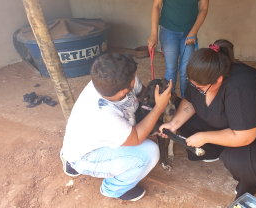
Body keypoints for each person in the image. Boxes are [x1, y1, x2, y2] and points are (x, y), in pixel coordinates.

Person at [159, 39, 256, 200]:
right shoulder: (199, 77)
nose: (195, 88)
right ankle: (216, 150)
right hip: (231, 120)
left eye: (200, 88)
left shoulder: (240, 88)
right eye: (192, 84)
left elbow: (245, 136)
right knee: (187, 124)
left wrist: (205, 137)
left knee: (241, 160)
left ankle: (249, 182)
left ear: (219, 79)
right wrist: (173, 124)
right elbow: (190, 100)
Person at [60, 53, 172, 201]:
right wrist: (159, 108)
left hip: (83, 138)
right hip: (85, 155)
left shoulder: (109, 81)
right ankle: (113, 189)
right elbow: (137, 137)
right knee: (150, 152)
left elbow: (142, 95)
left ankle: (70, 159)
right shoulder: (104, 115)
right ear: (122, 91)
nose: (136, 78)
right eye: (134, 77)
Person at [148, 0, 209, 98]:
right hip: (168, 31)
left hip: (189, 31)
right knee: (171, 69)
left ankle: (185, 101)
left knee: (186, 71)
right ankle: (168, 102)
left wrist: (193, 32)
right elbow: (156, 5)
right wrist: (154, 35)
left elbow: (204, 8)